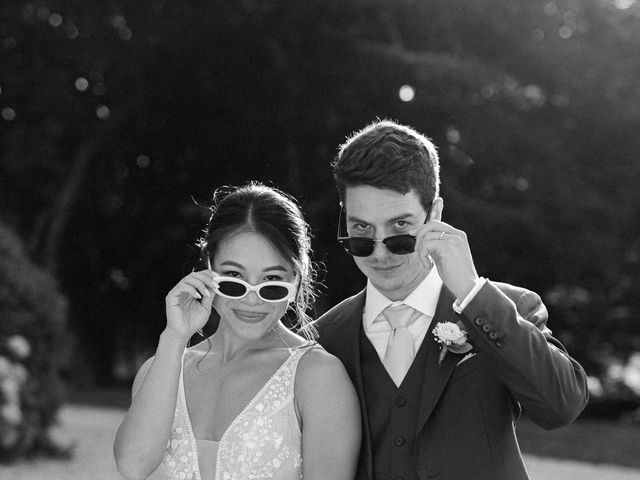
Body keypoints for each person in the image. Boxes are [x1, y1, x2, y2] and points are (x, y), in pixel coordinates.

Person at [313, 120, 588, 480]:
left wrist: (473, 294)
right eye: (361, 231)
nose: (379, 254)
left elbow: (561, 405)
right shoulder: (324, 339)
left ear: (435, 215)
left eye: (399, 229)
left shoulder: (509, 307)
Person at [114, 182, 361, 480]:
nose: (252, 299)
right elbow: (132, 466)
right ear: (207, 269)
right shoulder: (162, 367)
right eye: (234, 277)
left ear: (296, 281)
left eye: (272, 281)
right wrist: (174, 336)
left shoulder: (317, 377)